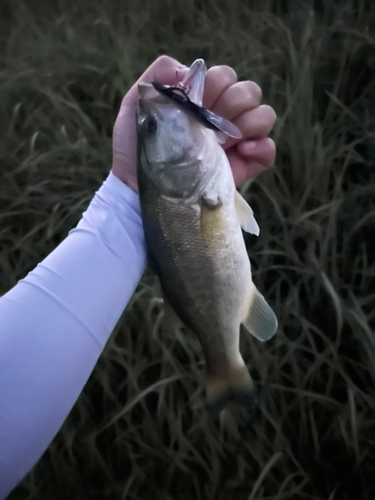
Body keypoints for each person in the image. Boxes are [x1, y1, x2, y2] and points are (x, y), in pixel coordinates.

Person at [0, 56, 276, 498]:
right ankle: (226, 368)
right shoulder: (183, 179)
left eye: (146, 126)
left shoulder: (181, 176)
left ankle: (225, 369)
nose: (149, 113)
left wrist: (124, 203)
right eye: (150, 128)